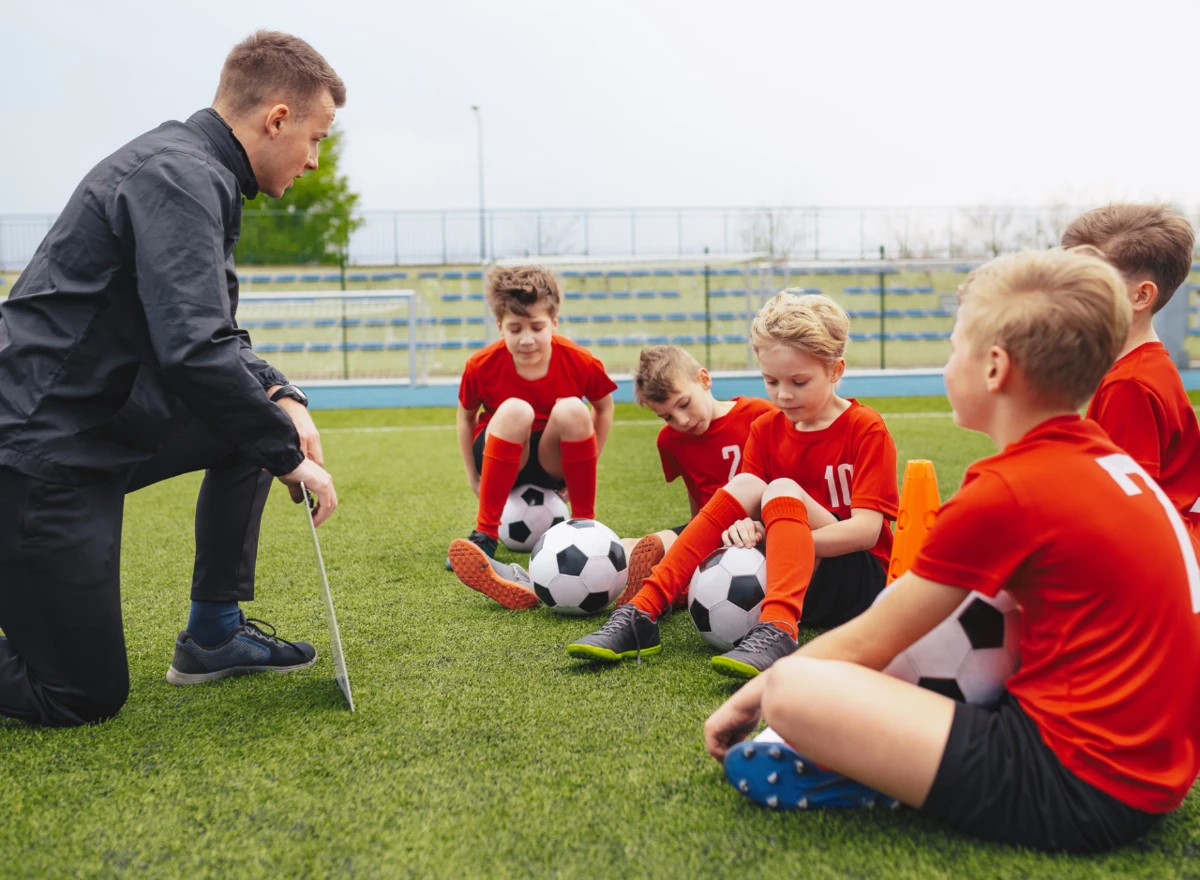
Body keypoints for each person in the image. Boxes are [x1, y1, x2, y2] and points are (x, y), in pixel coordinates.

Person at [705, 248, 1200, 854]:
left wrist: (750, 699)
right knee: (979, 596)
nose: (946, 365)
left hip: (1078, 789)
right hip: (1157, 774)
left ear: (993, 367)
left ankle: (880, 776)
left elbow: (867, 641)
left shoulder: (1010, 487)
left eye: (952, 349)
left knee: (794, 690)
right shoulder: (1108, 463)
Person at [0, 31, 342, 727]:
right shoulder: (179, 176)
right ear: (276, 118)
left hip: (93, 430)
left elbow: (210, 334)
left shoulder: (198, 172)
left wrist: (282, 397)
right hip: (39, 453)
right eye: (315, 137)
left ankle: (214, 633)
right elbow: (193, 350)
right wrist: (287, 458)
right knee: (80, 694)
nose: (314, 159)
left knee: (250, 420)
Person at [570, 292, 898, 678]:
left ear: (835, 370)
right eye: (771, 381)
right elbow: (752, 508)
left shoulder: (866, 427)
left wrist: (777, 539)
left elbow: (867, 531)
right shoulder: (764, 429)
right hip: (785, 573)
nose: (783, 394)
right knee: (746, 483)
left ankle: (779, 628)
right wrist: (745, 526)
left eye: (799, 381)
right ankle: (642, 610)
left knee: (781, 488)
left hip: (854, 578)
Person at [446, 266, 616, 609]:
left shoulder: (579, 360)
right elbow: (465, 418)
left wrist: (588, 461)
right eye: (515, 329)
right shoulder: (481, 365)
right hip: (501, 450)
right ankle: (485, 534)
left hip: (552, 460)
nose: (526, 339)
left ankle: (585, 523)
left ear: (554, 322)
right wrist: (471, 474)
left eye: (537, 327)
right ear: (499, 327)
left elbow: (604, 407)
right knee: (515, 410)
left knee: (572, 409)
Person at [1061, 204, 1200, 536]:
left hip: (1165, 561)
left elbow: (1127, 514)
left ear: (1141, 295)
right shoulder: (1147, 365)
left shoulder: (1129, 384)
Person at [615, 344, 775, 609]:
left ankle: (684, 583)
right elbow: (695, 491)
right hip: (708, 530)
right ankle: (541, 580)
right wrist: (692, 532)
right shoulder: (670, 441)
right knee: (632, 547)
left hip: (756, 532)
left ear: (704, 379)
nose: (682, 420)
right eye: (667, 416)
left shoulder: (760, 415)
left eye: (684, 404)